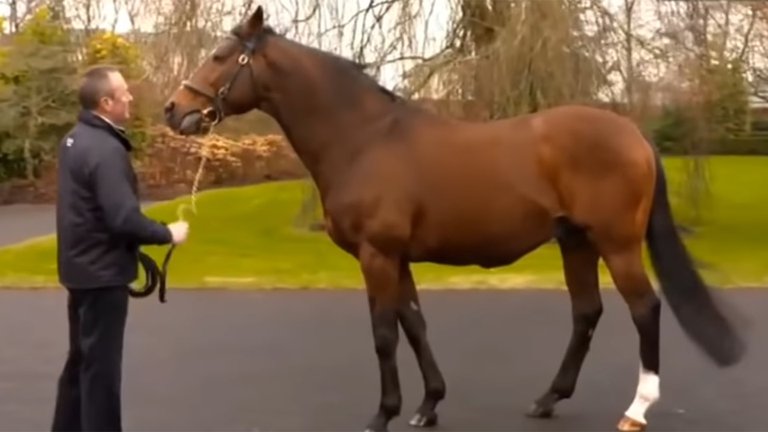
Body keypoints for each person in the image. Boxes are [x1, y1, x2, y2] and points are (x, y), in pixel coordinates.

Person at [51, 65, 189, 431]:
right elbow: (123, 218)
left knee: (81, 362)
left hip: (79, 271)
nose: (130, 97)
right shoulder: (106, 149)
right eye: (123, 92)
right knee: (101, 373)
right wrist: (167, 233)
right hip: (101, 277)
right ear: (105, 102)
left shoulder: (74, 139)